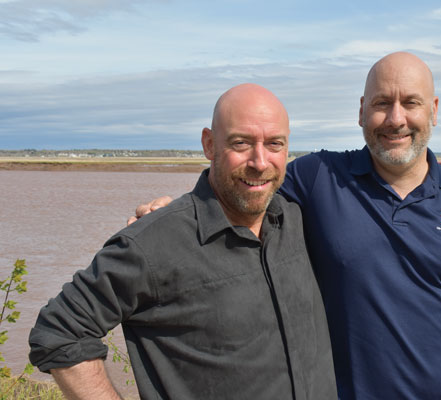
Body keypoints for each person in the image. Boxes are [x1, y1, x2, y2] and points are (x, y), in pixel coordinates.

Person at [132, 52, 441, 399]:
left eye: (411, 103)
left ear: (434, 111)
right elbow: (248, 184)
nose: (396, 118)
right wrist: (182, 209)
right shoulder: (319, 177)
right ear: (360, 111)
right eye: (382, 103)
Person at [28, 84, 337, 400]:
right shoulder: (153, 244)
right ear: (209, 144)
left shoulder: (298, 220)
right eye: (241, 143)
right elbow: (60, 332)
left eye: (274, 144)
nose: (259, 162)